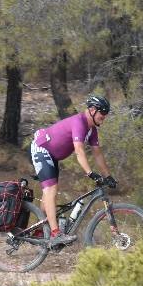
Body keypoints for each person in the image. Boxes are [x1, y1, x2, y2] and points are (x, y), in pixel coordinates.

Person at [29, 94, 117, 246]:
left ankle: (40, 230)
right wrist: (90, 173)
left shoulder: (92, 130)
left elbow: (98, 154)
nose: (104, 116)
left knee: (48, 192)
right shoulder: (79, 123)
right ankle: (55, 234)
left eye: (106, 113)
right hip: (42, 148)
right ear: (92, 110)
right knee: (51, 190)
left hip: (53, 155)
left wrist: (108, 176)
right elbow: (79, 151)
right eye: (102, 113)